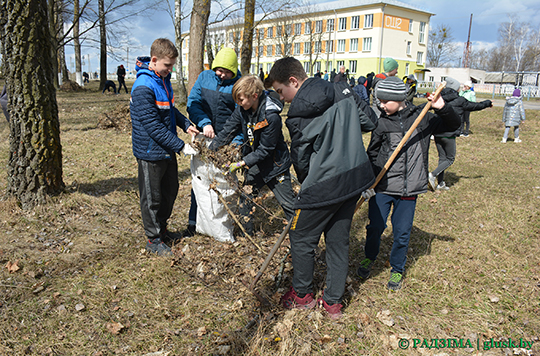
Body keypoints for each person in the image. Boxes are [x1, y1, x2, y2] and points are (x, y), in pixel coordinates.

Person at [267, 57, 377, 319]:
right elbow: (370, 121)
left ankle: (303, 294)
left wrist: (309, 184)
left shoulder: (296, 115)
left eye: (281, 91)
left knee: (301, 236)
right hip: (353, 178)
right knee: (338, 241)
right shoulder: (341, 91)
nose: (282, 99)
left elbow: (301, 159)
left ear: (293, 81)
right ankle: (333, 303)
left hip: (323, 184)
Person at [357, 76, 460, 291]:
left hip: (409, 188)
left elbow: (453, 124)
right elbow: (372, 153)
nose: (381, 106)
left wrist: (442, 107)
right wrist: (368, 182)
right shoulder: (382, 122)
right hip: (382, 187)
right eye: (379, 101)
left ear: (399, 98)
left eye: (385, 101)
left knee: (402, 232)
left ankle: (397, 268)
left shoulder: (422, 118)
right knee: (375, 227)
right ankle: (369, 256)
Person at [130, 38, 199, 256]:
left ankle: (162, 230)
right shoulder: (143, 87)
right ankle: (153, 240)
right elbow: (153, 126)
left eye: (172, 66)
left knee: (170, 191)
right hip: (150, 151)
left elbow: (169, 111)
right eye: (167, 65)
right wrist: (181, 146)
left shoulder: (162, 79)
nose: (170, 70)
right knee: (152, 197)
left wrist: (186, 124)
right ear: (154, 60)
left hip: (166, 148)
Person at [209, 75, 296, 234]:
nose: (238, 103)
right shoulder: (242, 109)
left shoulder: (271, 116)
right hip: (255, 164)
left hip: (275, 166)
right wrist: (211, 149)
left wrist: (241, 163)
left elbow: (266, 149)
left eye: (240, 99)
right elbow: (228, 130)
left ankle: (302, 237)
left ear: (254, 96)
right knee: (245, 199)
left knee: (289, 205)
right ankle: (246, 234)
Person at [185, 47, 243, 237]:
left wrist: (235, 143)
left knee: (224, 184)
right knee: (201, 181)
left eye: (227, 72)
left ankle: (223, 227)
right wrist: (204, 123)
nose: (223, 75)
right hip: (204, 138)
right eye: (219, 70)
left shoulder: (239, 84)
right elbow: (193, 102)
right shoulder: (204, 77)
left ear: (234, 70)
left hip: (228, 141)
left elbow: (241, 115)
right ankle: (193, 224)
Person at [428, 77, 492, 191]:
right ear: (456, 89)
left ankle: (441, 183)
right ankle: (432, 175)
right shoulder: (460, 100)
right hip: (449, 134)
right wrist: (487, 103)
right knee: (450, 159)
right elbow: (475, 106)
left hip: (437, 133)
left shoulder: (439, 99)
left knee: (442, 158)